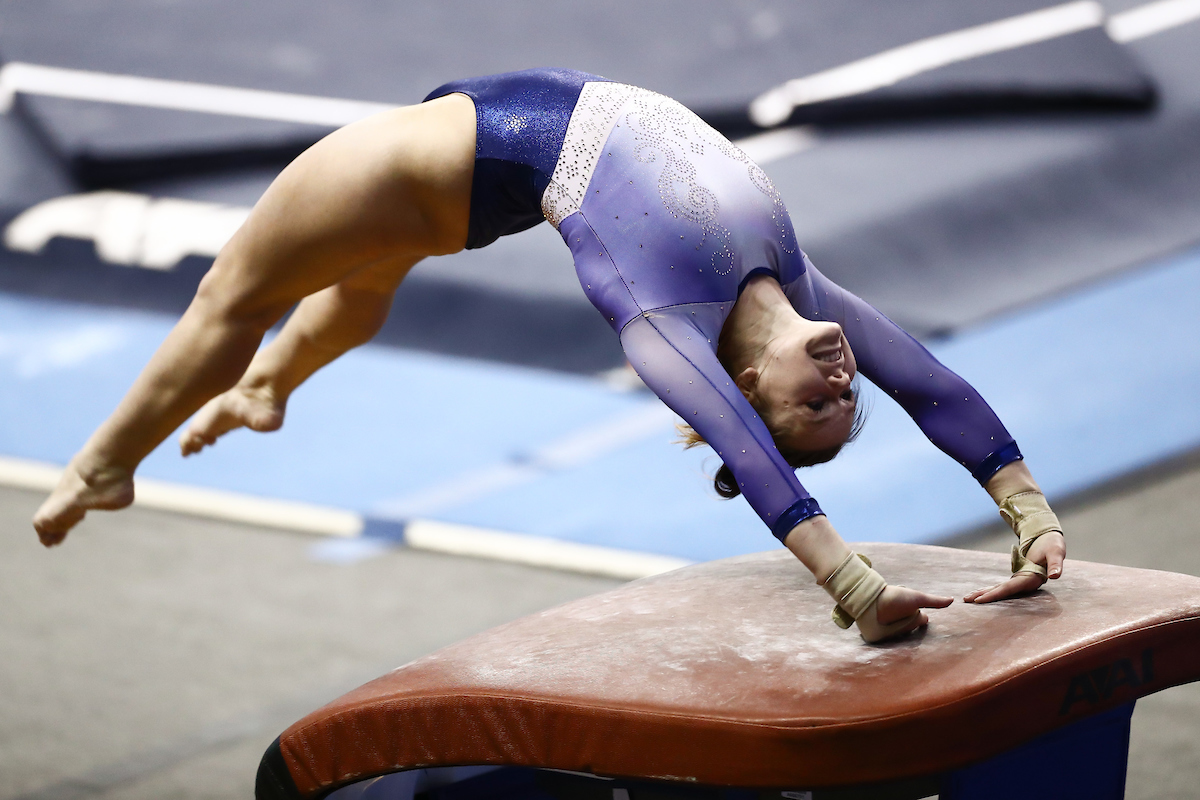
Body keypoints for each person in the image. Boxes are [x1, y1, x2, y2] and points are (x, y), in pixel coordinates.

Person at [32, 68, 1065, 642]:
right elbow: (930, 383)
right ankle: (268, 390)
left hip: (424, 163)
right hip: (467, 177)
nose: (845, 380)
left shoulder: (664, 323)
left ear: (744, 391)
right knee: (356, 291)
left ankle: (107, 465)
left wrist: (854, 584)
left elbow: (757, 468)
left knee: (232, 296)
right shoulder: (799, 284)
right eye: (847, 396)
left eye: (818, 405)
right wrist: (1030, 510)